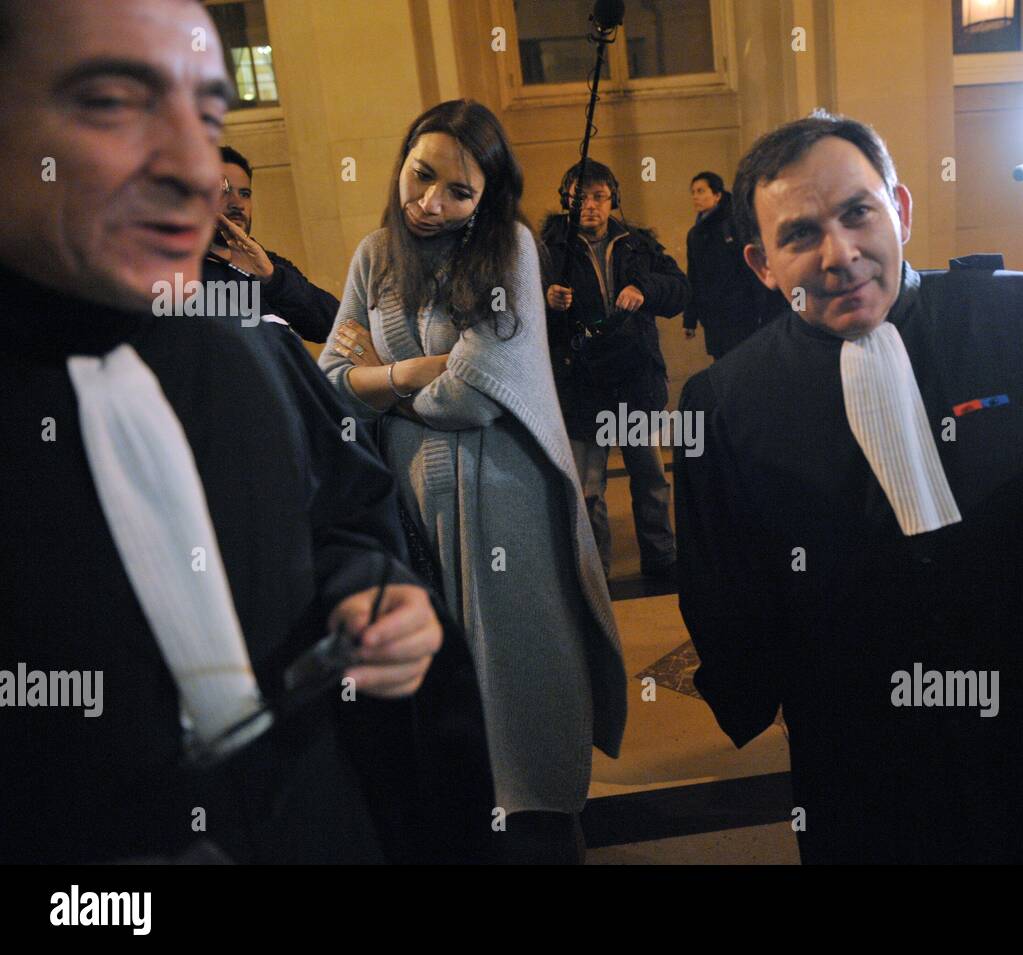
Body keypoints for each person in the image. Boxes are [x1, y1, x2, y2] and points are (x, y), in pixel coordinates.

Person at [674, 112, 1023, 864]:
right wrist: (770, 688)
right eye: (800, 234)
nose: (839, 254)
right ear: (761, 263)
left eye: (857, 213)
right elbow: (724, 585)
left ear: (901, 210)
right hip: (863, 759)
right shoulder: (724, 400)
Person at [0, 0, 442, 863]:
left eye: (207, 116)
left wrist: (377, 593)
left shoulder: (247, 358)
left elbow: (343, 524)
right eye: (116, 104)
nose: (196, 173)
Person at [318, 100, 626, 864]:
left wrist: (377, 381)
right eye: (421, 176)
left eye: (458, 190)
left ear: (487, 196)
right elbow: (326, 386)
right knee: (433, 716)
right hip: (409, 510)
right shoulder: (372, 256)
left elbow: (477, 394)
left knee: (517, 698)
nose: (430, 203)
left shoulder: (511, 249)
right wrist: (416, 370)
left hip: (503, 507)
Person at [540, 160, 689, 578]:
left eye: (599, 197)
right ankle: (596, 573)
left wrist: (644, 289)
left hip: (635, 379)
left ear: (612, 200)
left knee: (652, 482)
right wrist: (544, 301)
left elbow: (680, 291)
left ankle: (661, 560)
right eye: (580, 197)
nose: (589, 206)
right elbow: (514, 316)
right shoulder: (547, 250)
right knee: (588, 492)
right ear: (566, 200)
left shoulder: (638, 244)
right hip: (581, 385)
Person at [203, 145, 340, 342]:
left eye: (245, 194)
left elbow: (334, 327)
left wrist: (272, 279)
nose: (237, 203)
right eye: (223, 191)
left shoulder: (273, 265)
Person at [684, 170, 780, 359]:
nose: (695, 197)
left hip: (742, 313)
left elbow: (752, 267)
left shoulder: (735, 225)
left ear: (717, 195)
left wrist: (761, 310)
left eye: (701, 191)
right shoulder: (695, 234)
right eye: (693, 192)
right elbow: (694, 275)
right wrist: (690, 318)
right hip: (713, 317)